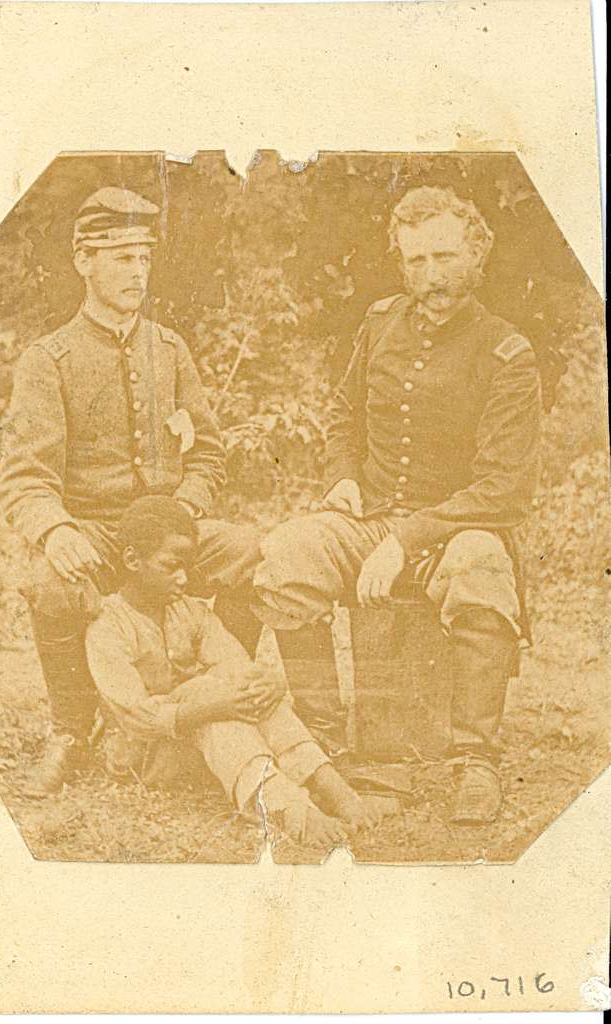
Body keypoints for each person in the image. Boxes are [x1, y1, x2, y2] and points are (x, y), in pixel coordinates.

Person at [252, 185, 543, 825]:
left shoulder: (508, 354)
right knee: (287, 553)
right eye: (415, 262)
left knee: (479, 567)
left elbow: (502, 492)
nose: (430, 277)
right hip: (371, 516)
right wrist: (344, 475)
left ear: (477, 255)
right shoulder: (381, 323)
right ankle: (325, 739)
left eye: (444, 258)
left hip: (462, 527)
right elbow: (343, 412)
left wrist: (406, 538)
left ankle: (475, 760)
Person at [0, 187, 261, 796]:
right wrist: (57, 529)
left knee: (248, 550)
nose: (137, 272)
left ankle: (199, 696)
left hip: (170, 530)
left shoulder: (170, 350)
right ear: (83, 261)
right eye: (120, 257)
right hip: (96, 531)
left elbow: (211, 455)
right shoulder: (49, 360)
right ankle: (70, 730)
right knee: (53, 584)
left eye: (144, 257)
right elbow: (24, 476)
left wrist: (186, 510)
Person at [85, 495, 384, 847]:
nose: (183, 579)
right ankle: (287, 808)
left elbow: (236, 666)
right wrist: (216, 705)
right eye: (171, 566)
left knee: (237, 687)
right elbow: (138, 719)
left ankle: (329, 785)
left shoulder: (191, 612)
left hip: (203, 747)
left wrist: (266, 684)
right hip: (145, 754)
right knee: (207, 694)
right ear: (133, 560)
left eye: (187, 567)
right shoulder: (107, 627)